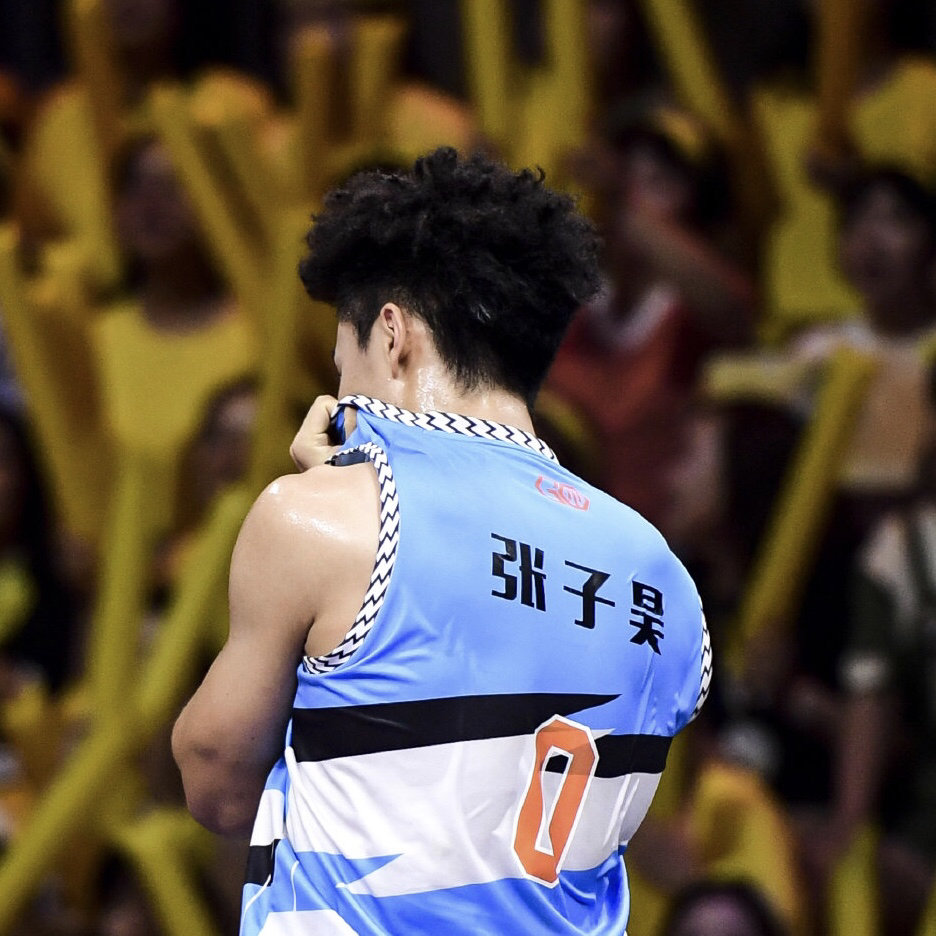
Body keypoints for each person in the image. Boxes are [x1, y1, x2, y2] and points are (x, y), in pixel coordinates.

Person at [172, 147, 711, 935]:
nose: (341, 389)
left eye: (344, 360)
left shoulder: (319, 519)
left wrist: (330, 494)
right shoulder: (662, 575)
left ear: (392, 336)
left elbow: (215, 782)